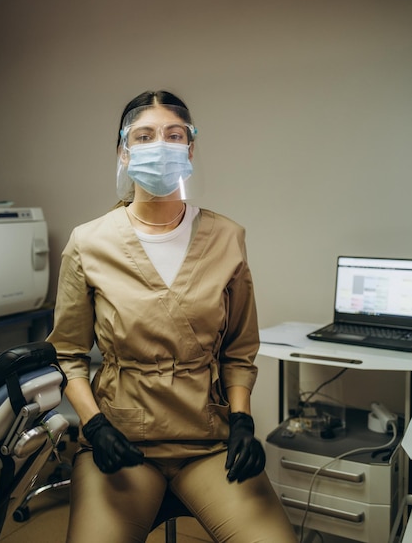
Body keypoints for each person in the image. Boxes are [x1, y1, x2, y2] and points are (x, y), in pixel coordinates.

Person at [47, 90, 297, 543]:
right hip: (122, 439)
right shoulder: (89, 243)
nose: (160, 145)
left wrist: (241, 421)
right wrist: (94, 424)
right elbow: (67, 355)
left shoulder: (227, 237)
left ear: (190, 148)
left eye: (173, 135)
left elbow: (240, 350)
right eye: (144, 136)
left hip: (207, 440)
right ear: (124, 150)